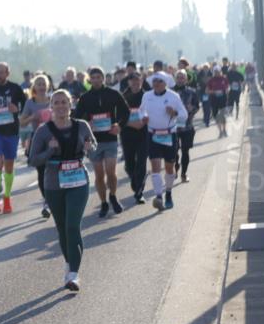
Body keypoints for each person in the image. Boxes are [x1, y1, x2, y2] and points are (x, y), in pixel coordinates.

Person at [28, 90, 96, 292]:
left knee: (72, 226)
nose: (60, 106)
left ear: (70, 104)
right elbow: (33, 160)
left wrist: (88, 146)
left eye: (64, 102)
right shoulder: (43, 130)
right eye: (56, 102)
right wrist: (49, 150)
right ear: (51, 106)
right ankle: (69, 264)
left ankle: (74, 275)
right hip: (53, 184)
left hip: (78, 181)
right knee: (62, 228)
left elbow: (93, 147)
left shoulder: (81, 125)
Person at [74, 66, 130, 218]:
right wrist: (87, 124)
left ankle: (113, 195)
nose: (96, 80)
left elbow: (126, 111)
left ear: (104, 78)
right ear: (90, 80)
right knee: (99, 174)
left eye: (99, 77)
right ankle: (104, 202)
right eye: (93, 78)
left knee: (111, 172)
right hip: (94, 141)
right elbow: (76, 117)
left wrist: (119, 125)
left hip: (110, 138)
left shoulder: (112, 93)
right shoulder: (85, 98)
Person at [0, 62, 28, 215]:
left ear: (7, 73)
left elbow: (25, 104)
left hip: (11, 131)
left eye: (1, 72)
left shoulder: (15, 88)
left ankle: (7, 198)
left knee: (9, 165)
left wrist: (18, 109)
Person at [142, 72, 188, 211]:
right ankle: (158, 196)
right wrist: (144, 117)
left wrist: (174, 113)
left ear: (166, 83)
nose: (156, 83)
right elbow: (141, 111)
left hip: (169, 135)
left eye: (160, 81)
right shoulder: (147, 96)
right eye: (154, 81)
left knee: (169, 168)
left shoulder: (173, 96)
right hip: (153, 135)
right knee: (155, 167)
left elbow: (184, 116)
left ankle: (168, 192)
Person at [19, 74, 53, 217]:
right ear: (34, 87)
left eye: (43, 84)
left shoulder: (53, 100)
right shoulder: (30, 103)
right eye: (38, 84)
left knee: (54, 169)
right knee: (41, 171)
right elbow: (22, 122)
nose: (41, 86)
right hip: (38, 138)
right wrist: (33, 117)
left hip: (54, 137)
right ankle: (46, 200)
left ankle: (54, 199)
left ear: (48, 86)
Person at [120, 72, 150, 204]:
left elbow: (153, 113)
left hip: (144, 132)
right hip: (127, 133)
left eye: (138, 80)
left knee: (142, 162)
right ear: (129, 82)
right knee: (129, 163)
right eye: (133, 81)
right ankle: (134, 179)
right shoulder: (122, 97)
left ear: (142, 81)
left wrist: (143, 122)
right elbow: (118, 116)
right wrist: (131, 123)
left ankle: (139, 192)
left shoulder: (147, 96)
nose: (135, 83)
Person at [173, 70, 201, 183]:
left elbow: (197, 106)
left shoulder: (192, 92)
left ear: (186, 79)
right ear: (175, 79)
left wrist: (191, 110)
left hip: (187, 126)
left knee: (185, 151)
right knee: (173, 152)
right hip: (173, 127)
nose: (180, 79)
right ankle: (175, 166)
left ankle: (184, 174)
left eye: (182, 77)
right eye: (178, 77)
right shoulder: (170, 91)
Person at [207, 67, 230, 138]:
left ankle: (224, 130)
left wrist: (226, 90)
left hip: (223, 99)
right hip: (214, 100)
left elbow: (228, 87)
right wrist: (213, 92)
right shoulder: (211, 80)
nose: (217, 73)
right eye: (215, 72)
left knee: (223, 116)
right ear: (213, 72)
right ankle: (220, 131)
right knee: (216, 116)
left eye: (218, 71)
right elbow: (207, 90)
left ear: (220, 72)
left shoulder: (224, 79)